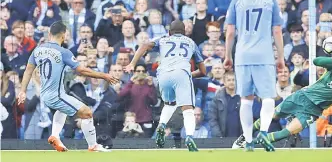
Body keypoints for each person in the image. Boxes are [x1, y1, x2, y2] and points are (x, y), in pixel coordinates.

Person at [16, 21, 119, 152]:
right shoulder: (64, 52)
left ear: (49, 33)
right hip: (56, 95)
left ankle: (55, 135)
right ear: (64, 36)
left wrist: (23, 91)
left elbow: (28, 70)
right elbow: (81, 71)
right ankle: (93, 145)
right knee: (87, 112)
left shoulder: (38, 50)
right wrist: (103, 75)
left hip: (46, 94)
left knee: (62, 110)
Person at [232, 50, 332, 148]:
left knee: (289, 131)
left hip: (313, 110)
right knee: (272, 116)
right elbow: (316, 61)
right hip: (302, 97)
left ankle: (250, 144)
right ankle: (244, 137)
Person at [223, 0, 284, 152]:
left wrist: (227, 55)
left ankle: (248, 140)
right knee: (268, 97)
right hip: (264, 54)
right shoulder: (271, 1)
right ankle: (264, 132)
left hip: (242, 55)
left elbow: (231, 31)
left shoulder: (237, 1)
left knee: (246, 99)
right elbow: (276, 30)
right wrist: (280, 56)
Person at [124, 20, 206, 152]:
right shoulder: (190, 42)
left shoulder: (163, 39)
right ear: (184, 33)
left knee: (170, 104)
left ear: (169, 32)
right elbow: (203, 71)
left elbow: (144, 45)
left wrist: (132, 63)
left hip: (163, 75)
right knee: (188, 109)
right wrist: (187, 75)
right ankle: (190, 137)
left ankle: (161, 125)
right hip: (182, 73)